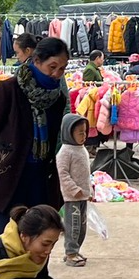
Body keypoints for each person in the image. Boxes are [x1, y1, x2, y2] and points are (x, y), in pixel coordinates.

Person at [0, 36, 71, 218]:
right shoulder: (7, 90)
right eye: (52, 66)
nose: (57, 73)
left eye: (62, 69)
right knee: (7, 238)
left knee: (35, 236)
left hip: (40, 178)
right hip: (7, 178)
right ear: (36, 61)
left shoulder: (57, 99)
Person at [56, 112, 92, 267]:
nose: (83, 136)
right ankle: (70, 253)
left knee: (82, 227)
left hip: (83, 196)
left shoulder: (82, 149)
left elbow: (86, 173)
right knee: (73, 226)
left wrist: (89, 191)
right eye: (80, 133)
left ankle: (75, 251)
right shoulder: (65, 151)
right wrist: (73, 189)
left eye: (85, 132)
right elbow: (62, 173)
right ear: (69, 133)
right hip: (72, 197)